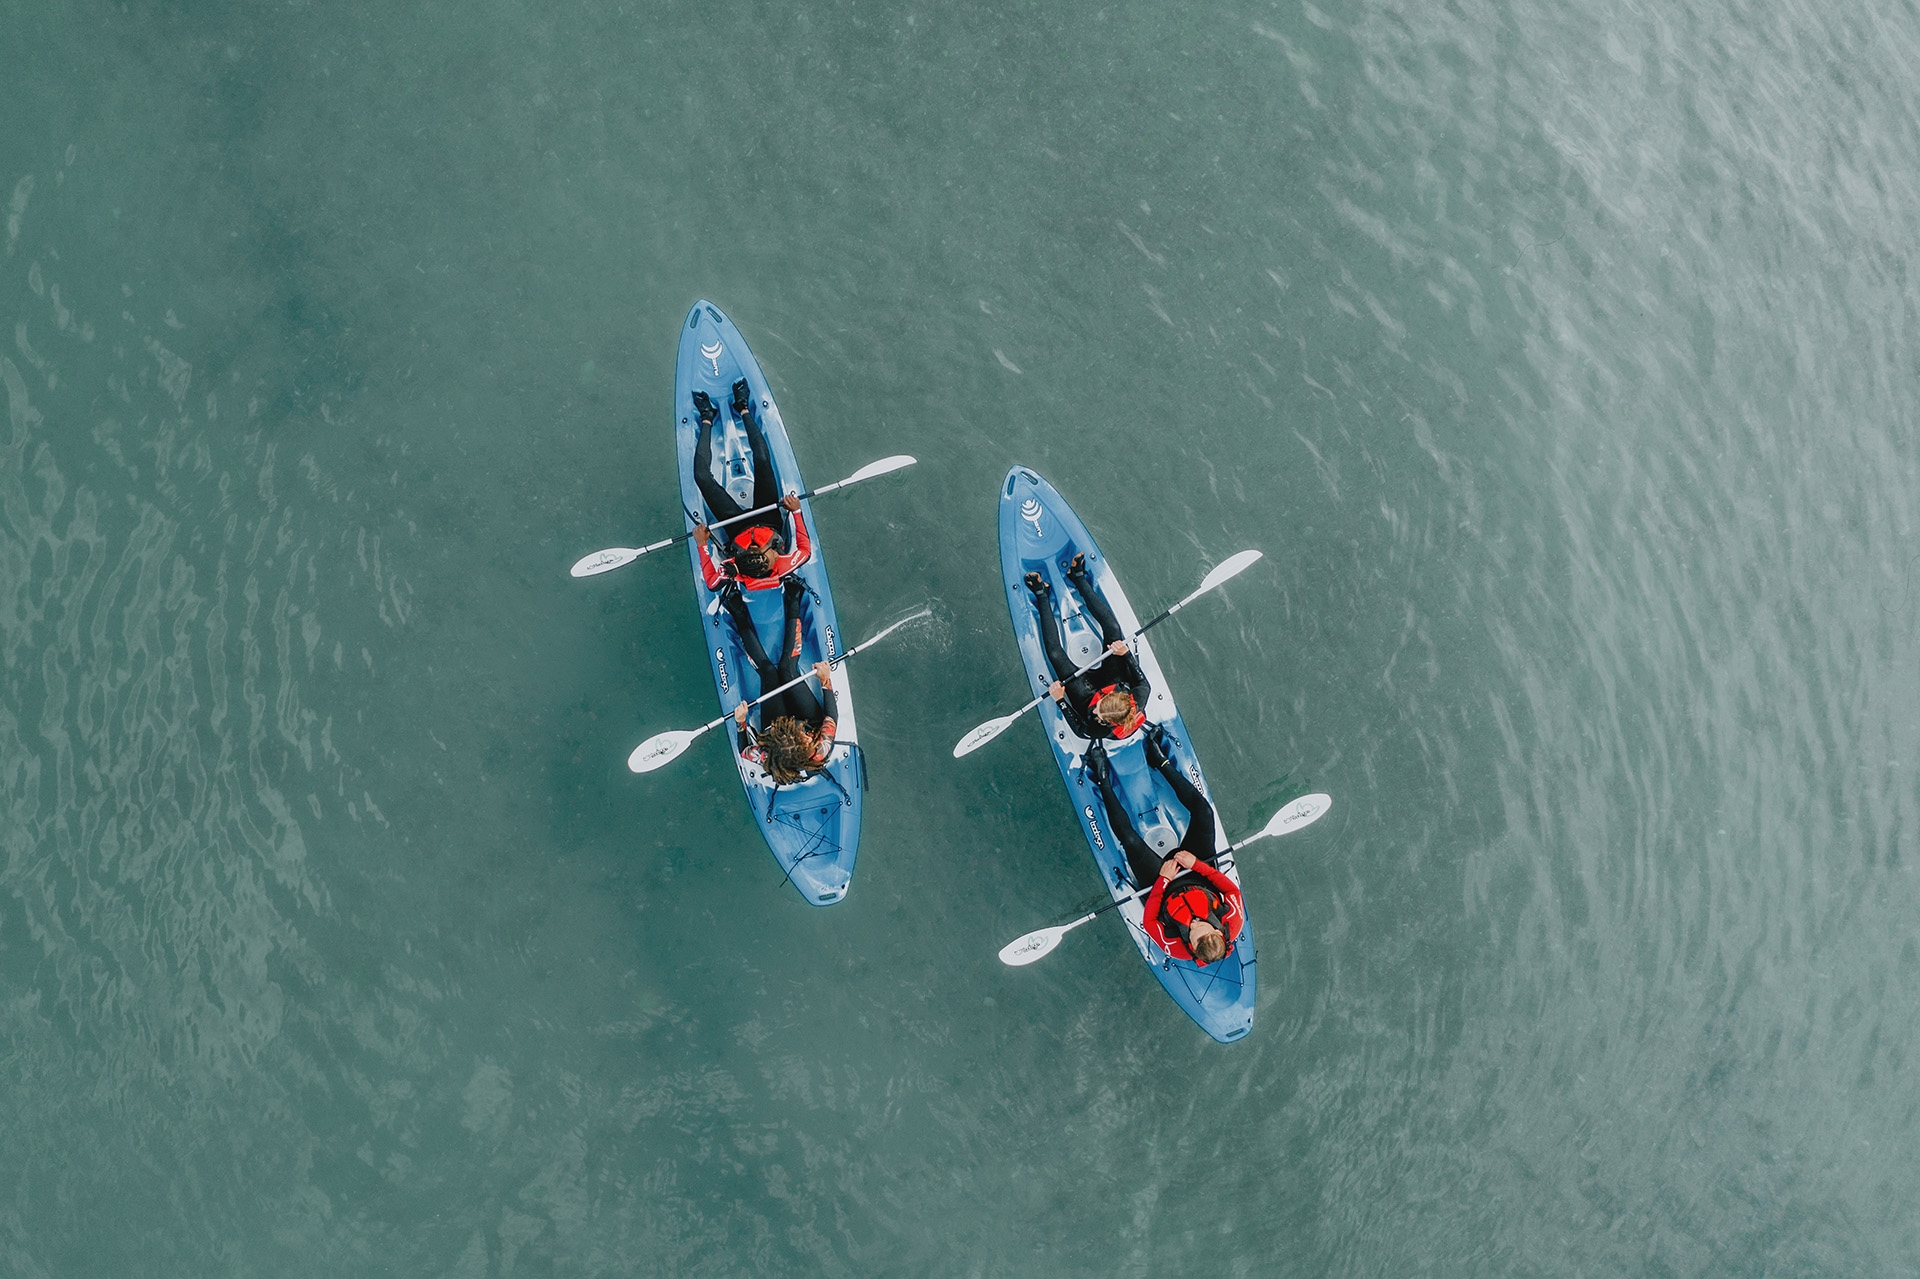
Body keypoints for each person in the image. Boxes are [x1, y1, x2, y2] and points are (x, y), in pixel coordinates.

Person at [1086, 727, 1243, 965]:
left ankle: (1103, 780)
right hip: (1196, 871)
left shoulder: (1175, 948)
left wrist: (1164, 880)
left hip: (1158, 884)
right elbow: (1232, 892)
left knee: (1129, 841)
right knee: (1204, 813)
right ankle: (1160, 761)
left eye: (1193, 930)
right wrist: (1197, 865)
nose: (1196, 924)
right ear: (1218, 931)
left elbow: (1150, 922)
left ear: (1191, 943)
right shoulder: (1233, 920)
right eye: (1204, 925)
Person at [692, 379, 811, 589]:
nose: (755, 545)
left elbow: (712, 582)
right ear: (773, 555)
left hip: (735, 526)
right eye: (761, 548)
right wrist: (797, 512)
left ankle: (707, 418)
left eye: (751, 549)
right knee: (763, 461)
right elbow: (805, 550)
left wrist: (702, 544)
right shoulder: (785, 564)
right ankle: (743, 407)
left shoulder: (731, 572)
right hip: (769, 518)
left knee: (702, 477)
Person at [1026, 552, 1150, 742]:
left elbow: (1078, 729)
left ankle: (1042, 594)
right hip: (1112, 679)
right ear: (1123, 697)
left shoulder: (1098, 730)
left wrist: (1060, 700)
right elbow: (1143, 683)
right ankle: (1078, 578)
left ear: (1105, 721)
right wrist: (1125, 654)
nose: (1098, 704)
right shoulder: (1140, 695)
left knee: (1055, 655)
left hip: (1085, 697)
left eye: (1098, 710)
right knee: (1113, 629)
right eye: (1102, 702)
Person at [725, 576, 838, 783]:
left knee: (769, 672)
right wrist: (825, 680)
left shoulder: (766, 755)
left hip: (774, 725)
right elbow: (831, 717)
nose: (793, 725)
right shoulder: (820, 749)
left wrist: (741, 722)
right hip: (809, 721)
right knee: (787, 669)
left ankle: (738, 613)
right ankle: (793, 600)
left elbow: (743, 751)